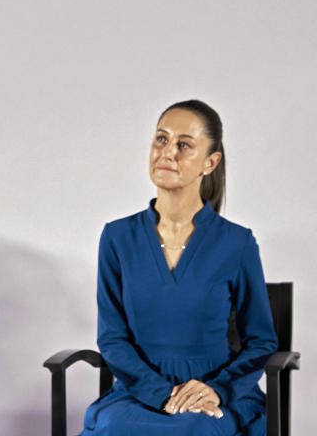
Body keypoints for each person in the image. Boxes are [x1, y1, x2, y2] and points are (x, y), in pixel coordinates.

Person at [81, 100, 276, 435]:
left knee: (193, 430)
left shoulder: (237, 243)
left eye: (184, 145)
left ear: (210, 162)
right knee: (114, 428)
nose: (167, 152)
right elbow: (112, 338)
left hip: (213, 397)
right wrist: (161, 394)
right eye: (161, 139)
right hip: (137, 393)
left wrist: (217, 390)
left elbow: (261, 341)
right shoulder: (117, 238)